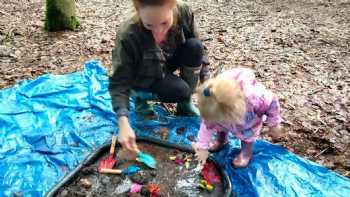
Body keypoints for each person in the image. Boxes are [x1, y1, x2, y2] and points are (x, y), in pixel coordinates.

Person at [109, 0, 210, 153]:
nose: (158, 33)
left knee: (194, 46)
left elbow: (198, 47)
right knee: (180, 90)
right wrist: (123, 121)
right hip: (142, 75)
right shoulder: (128, 34)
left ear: (173, 7)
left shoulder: (183, 12)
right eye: (149, 25)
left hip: (166, 62)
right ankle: (139, 96)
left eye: (164, 23)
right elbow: (119, 81)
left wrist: (207, 81)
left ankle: (185, 105)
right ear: (138, 11)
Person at [193, 68, 283, 168]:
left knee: (247, 137)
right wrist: (202, 148)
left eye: (218, 119)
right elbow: (206, 127)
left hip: (248, 122)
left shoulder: (254, 98)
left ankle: (245, 154)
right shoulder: (211, 104)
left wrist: (274, 124)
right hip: (227, 117)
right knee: (219, 128)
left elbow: (272, 103)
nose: (212, 121)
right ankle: (221, 140)